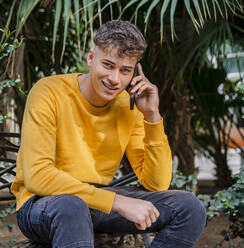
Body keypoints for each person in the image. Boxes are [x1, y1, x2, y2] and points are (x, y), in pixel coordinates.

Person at [11, 20, 206, 248]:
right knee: (72, 206)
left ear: (134, 72)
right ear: (91, 58)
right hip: (41, 205)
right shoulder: (49, 92)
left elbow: (157, 183)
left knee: (189, 208)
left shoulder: (129, 107)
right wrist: (118, 202)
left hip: (96, 203)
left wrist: (152, 116)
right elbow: (38, 176)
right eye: (108, 65)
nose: (115, 79)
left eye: (125, 70)